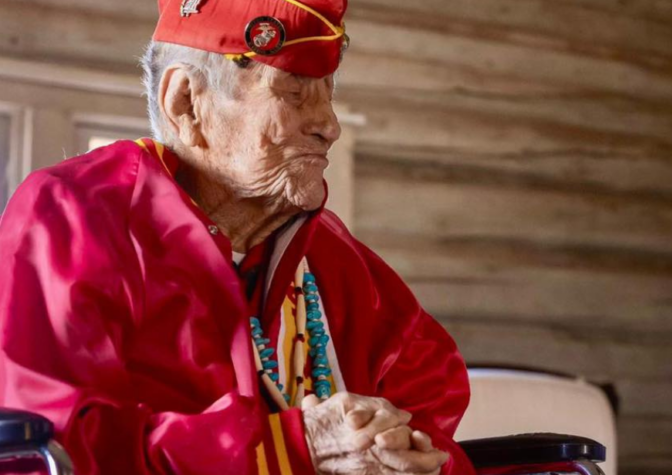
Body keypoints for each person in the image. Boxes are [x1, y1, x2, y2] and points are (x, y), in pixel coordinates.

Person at [0, 0, 475, 473]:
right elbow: (46, 450)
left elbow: (429, 409)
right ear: (186, 102)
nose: (329, 126)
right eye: (292, 92)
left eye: (327, 91)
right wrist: (286, 448)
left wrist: (406, 456)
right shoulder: (73, 216)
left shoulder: (332, 253)